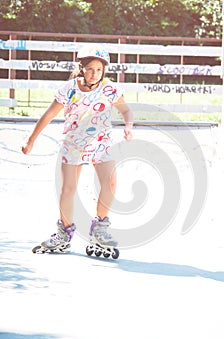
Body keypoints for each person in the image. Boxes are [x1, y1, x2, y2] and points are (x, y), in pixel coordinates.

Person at [22, 44, 134, 251]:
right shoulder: (69, 89)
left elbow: (126, 111)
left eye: (99, 70)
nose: (95, 74)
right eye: (90, 69)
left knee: (109, 183)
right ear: (81, 67)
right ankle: (64, 232)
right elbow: (49, 114)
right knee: (68, 188)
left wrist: (128, 127)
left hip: (101, 140)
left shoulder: (109, 88)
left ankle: (99, 228)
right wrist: (31, 140)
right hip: (73, 142)